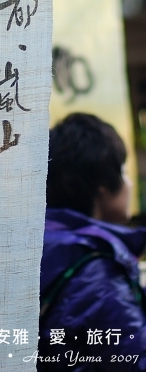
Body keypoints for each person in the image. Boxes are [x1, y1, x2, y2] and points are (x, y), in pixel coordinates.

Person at [38, 113, 146, 371]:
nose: (129, 183)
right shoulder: (96, 272)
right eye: (122, 170)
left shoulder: (38, 247)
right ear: (102, 187)